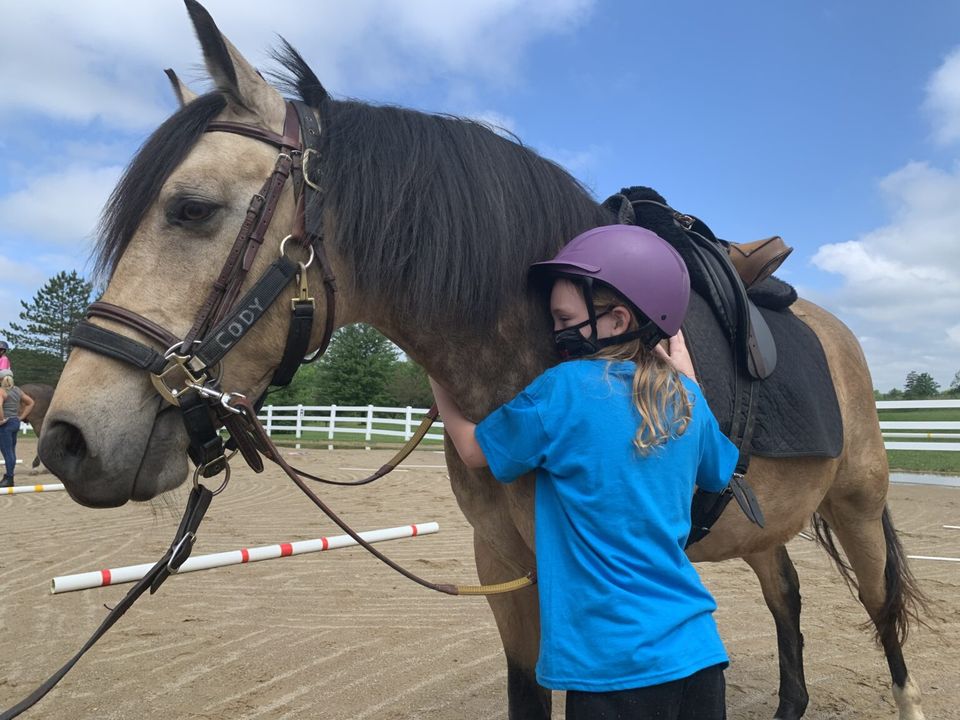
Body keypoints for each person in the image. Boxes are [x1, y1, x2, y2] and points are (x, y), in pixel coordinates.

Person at [429, 225, 738, 720]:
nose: (556, 332)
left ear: (617, 320)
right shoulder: (686, 399)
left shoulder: (564, 390)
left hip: (611, 664)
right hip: (698, 651)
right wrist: (692, 384)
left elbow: (471, 450)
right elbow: (719, 472)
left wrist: (438, 378)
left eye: (564, 318)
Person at [0, 369, 35, 488]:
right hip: (15, 422)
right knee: (11, 451)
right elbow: (30, 403)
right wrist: (21, 417)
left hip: (5, 424)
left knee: (7, 452)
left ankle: (9, 478)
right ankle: (9, 477)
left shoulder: (1, 391)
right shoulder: (17, 390)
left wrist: (1, 419)